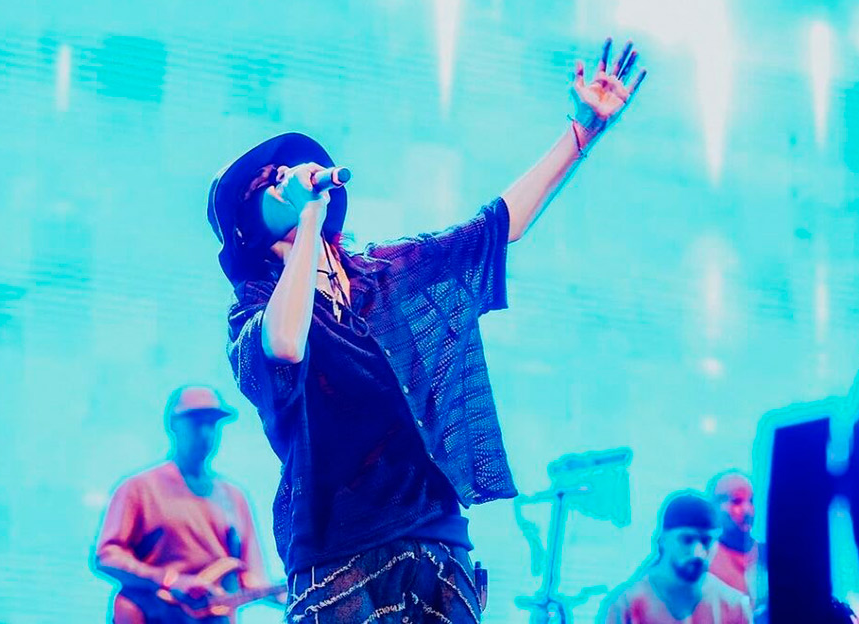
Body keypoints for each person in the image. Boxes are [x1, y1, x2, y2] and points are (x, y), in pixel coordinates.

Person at [207, 38, 647, 622]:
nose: (286, 177)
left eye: (290, 168)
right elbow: (287, 344)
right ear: (248, 228)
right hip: (338, 559)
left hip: (435, 545)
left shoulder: (387, 276)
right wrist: (309, 216)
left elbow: (496, 228)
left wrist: (581, 133)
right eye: (269, 181)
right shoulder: (251, 312)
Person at [94, 385, 279, 623]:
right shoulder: (139, 488)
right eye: (196, 421)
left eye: (212, 423)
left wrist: (291, 591)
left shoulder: (235, 498)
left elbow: (252, 578)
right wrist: (170, 580)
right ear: (173, 424)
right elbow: (108, 556)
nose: (205, 432)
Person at [599, 492, 752, 624]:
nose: (697, 553)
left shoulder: (734, 606)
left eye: (706, 541)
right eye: (687, 540)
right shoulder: (625, 606)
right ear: (662, 539)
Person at [707, 471, 766, 609]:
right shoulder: (703, 561)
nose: (748, 510)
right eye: (736, 501)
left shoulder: (770, 556)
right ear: (713, 508)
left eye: (751, 501)